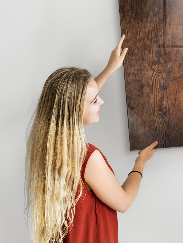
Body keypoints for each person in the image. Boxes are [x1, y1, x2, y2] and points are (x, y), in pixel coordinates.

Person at [26, 35, 158, 243]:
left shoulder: (48, 147)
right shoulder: (88, 158)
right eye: (95, 100)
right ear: (75, 110)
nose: (102, 101)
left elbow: (79, 98)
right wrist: (140, 163)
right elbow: (123, 202)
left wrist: (110, 68)